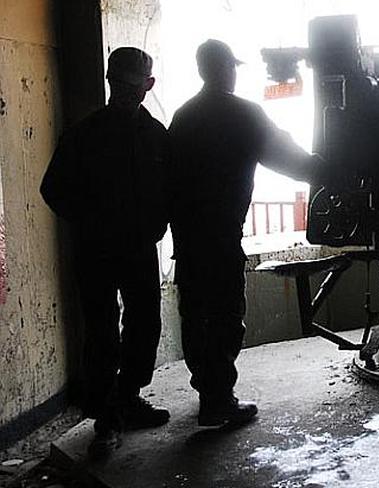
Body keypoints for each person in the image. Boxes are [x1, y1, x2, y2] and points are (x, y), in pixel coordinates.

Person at [169, 39, 326, 426]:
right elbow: (289, 159)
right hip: (222, 234)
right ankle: (218, 400)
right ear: (227, 69)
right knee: (225, 314)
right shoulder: (243, 114)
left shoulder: (183, 115)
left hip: (187, 237)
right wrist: (331, 168)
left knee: (196, 313)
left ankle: (207, 390)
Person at [41, 47, 170, 452]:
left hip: (129, 247)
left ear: (147, 86)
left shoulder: (151, 136)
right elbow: (54, 190)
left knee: (143, 324)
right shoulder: (90, 135)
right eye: (120, 84)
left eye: (132, 85)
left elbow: (170, 191)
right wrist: (96, 223)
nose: (126, 92)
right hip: (102, 249)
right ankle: (108, 412)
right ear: (111, 82)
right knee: (103, 331)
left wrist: (151, 224)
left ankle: (123, 400)